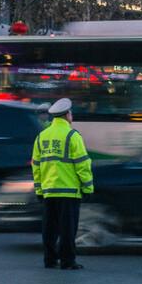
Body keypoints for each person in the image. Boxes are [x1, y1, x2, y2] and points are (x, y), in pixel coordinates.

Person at [31, 98, 94, 270]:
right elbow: (83, 164)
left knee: (49, 229)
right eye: (71, 113)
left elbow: (36, 166)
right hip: (69, 192)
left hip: (49, 191)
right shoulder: (72, 136)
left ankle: (49, 260)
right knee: (68, 229)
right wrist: (88, 187)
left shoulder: (41, 137)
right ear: (67, 115)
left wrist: (39, 189)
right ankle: (67, 261)